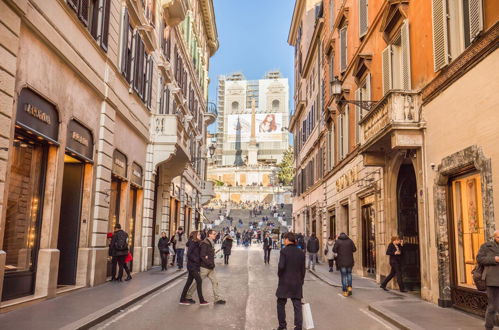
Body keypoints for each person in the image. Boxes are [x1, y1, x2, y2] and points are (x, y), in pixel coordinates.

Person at [185, 230, 226, 304]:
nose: (215, 235)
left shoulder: (211, 243)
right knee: (198, 282)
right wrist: (209, 263)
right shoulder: (205, 243)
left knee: (215, 282)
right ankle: (188, 296)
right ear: (209, 235)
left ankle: (217, 299)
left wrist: (211, 262)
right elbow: (203, 256)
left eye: (215, 234)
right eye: (214, 234)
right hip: (204, 267)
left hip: (210, 267)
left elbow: (209, 255)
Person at [276, 232, 306, 330]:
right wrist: (301, 280)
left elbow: (281, 266)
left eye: (285, 239)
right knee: (297, 305)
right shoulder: (301, 252)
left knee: (280, 303)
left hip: (285, 281)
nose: (284, 241)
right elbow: (303, 269)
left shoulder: (284, 251)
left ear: (288, 239)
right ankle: (298, 327)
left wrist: (280, 275)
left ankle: (282, 326)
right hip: (297, 282)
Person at [477, 230, 499, 330]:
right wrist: (494, 259)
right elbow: (480, 259)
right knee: (492, 307)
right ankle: (489, 327)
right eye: (498, 237)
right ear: (494, 237)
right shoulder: (486, 246)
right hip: (492, 280)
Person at [179, 231, 208, 306]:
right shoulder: (192, 243)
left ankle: (182, 299)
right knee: (199, 281)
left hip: (193, 265)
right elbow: (189, 254)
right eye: (198, 234)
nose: (200, 235)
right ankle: (201, 300)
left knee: (188, 282)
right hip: (192, 266)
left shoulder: (197, 243)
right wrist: (196, 259)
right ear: (195, 235)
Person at [333, 232, 356, 297]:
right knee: (349, 274)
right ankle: (350, 287)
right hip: (350, 261)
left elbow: (334, 250)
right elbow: (354, 249)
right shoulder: (350, 241)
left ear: (340, 236)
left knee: (343, 276)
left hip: (342, 262)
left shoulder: (338, 241)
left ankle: (345, 291)